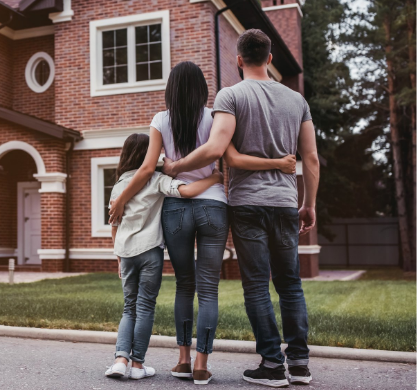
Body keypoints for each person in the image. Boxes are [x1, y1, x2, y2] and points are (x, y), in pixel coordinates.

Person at [108, 61, 296, 386]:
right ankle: (200, 365)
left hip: (176, 209)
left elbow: (146, 169)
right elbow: (229, 155)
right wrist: (218, 175)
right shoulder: (215, 117)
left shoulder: (160, 120)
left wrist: (123, 198)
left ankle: (181, 360)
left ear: (170, 89)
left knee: (184, 285)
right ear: (203, 90)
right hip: (213, 205)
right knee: (208, 289)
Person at [161, 30, 320, 387]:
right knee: (290, 284)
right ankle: (299, 364)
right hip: (284, 203)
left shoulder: (231, 96)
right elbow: (310, 157)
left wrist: (176, 166)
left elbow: (217, 149)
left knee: (257, 287)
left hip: (247, 204)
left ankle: (271, 365)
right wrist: (308, 203)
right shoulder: (297, 101)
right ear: (270, 58)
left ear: (238, 60)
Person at [105, 132, 225, 381]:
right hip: (150, 253)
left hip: (126, 254)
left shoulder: (118, 186)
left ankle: (119, 360)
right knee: (145, 306)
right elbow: (189, 191)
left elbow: (114, 225)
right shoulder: (157, 180)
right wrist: (214, 177)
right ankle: (138, 365)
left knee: (129, 308)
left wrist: (118, 258)